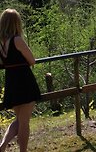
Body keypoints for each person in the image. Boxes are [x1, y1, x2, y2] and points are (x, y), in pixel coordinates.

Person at [0, 9, 41, 152]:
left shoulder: (1, 43)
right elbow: (32, 60)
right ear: (16, 23)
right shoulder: (17, 40)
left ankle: (3, 146)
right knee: (24, 122)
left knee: (19, 119)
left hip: (11, 82)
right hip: (24, 81)